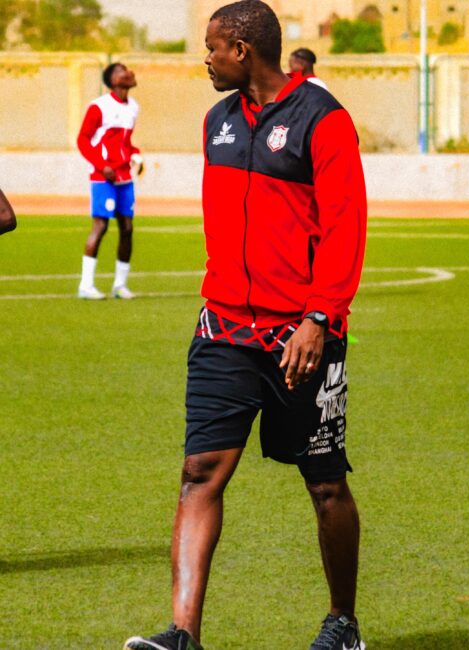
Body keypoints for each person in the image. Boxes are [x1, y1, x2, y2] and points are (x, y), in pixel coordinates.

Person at [124, 1, 366, 649]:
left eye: (212, 47)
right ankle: (182, 634)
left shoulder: (324, 120)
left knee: (325, 484)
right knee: (199, 470)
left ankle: (342, 623)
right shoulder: (218, 121)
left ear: (241, 49)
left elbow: (345, 226)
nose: (205, 59)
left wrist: (319, 316)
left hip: (303, 336)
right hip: (224, 330)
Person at [76, 62, 143, 300]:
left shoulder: (133, 107)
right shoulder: (99, 107)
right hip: (103, 177)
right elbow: (83, 140)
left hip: (124, 177)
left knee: (127, 228)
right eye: (122, 70)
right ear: (113, 79)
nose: (129, 72)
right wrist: (101, 165)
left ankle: (119, 285)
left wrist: (136, 155)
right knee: (101, 226)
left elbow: (125, 143)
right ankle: (86, 285)